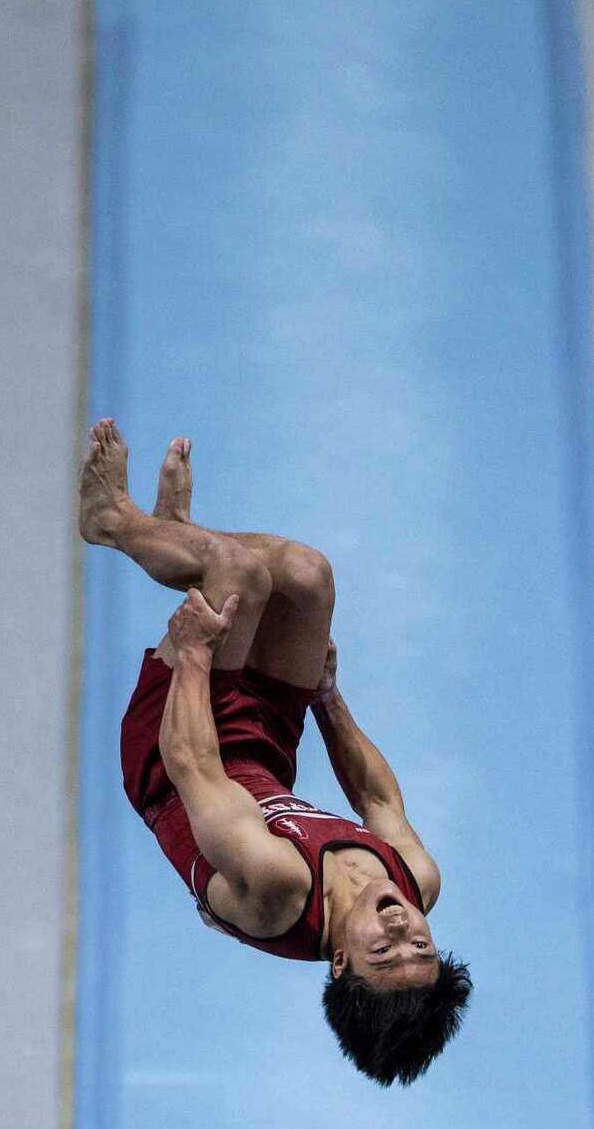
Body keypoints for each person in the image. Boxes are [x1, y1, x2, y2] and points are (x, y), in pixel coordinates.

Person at [79, 419, 471, 1086]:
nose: (403, 926)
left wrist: (197, 652)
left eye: (386, 951)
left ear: (342, 963)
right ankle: (175, 531)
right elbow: (376, 796)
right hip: (262, 754)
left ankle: (112, 520)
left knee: (239, 576)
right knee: (308, 574)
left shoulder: (278, 892)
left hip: (172, 752)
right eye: (420, 944)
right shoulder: (416, 881)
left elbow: (190, 763)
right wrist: (326, 695)